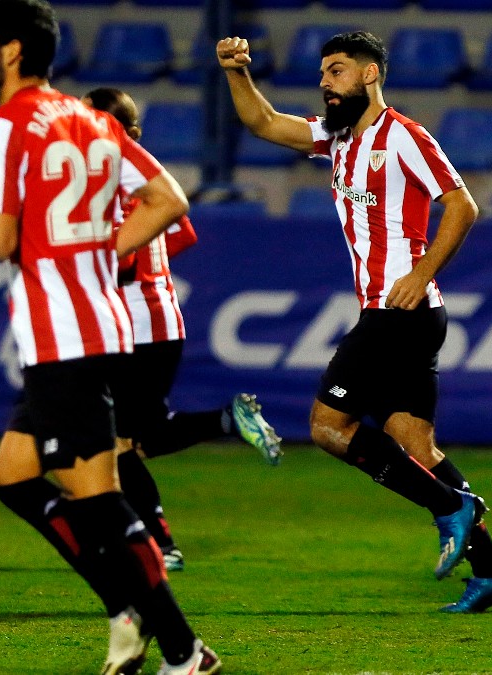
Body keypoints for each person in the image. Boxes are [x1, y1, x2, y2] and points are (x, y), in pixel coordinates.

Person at [0, 1, 220, 673]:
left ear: (13, 51)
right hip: (101, 324)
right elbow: (170, 199)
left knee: (100, 499)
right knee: (16, 474)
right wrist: (104, 253)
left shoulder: (1, 127)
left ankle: (178, 644)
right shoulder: (92, 121)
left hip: (64, 337)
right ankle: (128, 613)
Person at [217, 31, 492, 613]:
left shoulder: (403, 137)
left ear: (369, 75)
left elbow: (463, 205)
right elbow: (263, 122)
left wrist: (421, 270)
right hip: (406, 315)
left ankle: (452, 507)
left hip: (398, 311)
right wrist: (236, 71)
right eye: (324, 74)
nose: (325, 84)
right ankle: (491, 569)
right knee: (414, 445)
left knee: (328, 427)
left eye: (336, 72)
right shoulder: (335, 137)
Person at [82, 86, 284, 574]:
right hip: (156, 319)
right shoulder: (143, 180)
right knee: (140, 436)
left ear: (129, 134)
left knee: (118, 444)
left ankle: (159, 545)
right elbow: (184, 233)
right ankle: (225, 421)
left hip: (135, 325)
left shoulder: (113, 183)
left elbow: (123, 260)